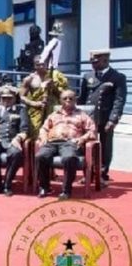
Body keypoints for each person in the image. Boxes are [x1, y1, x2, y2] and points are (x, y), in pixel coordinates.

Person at [35, 90, 96, 200]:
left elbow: (92, 131)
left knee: (69, 158)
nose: (68, 100)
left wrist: (82, 138)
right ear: (60, 100)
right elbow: (44, 128)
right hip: (52, 142)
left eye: (71, 98)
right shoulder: (53, 114)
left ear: (75, 101)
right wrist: (43, 137)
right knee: (40, 156)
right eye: (65, 98)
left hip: (70, 142)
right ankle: (44, 187)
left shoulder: (82, 115)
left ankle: (66, 190)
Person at [77, 49, 127, 186]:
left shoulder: (117, 77)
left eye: (96, 62)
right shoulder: (87, 76)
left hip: (105, 117)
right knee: (86, 145)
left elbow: (119, 100)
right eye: (92, 62)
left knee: (105, 146)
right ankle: (88, 173)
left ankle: (102, 174)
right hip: (88, 118)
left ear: (105, 60)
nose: (93, 64)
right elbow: (82, 98)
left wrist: (113, 119)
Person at [19, 55, 68, 138]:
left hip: (52, 110)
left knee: (54, 134)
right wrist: (34, 103)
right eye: (38, 64)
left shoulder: (54, 77)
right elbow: (21, 97)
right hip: (36, 112)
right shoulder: (29, 79)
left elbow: (65, 95)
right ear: (34, 66)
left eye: (43, 64)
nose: (41, 66)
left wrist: (53, 87)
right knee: (36, 135)